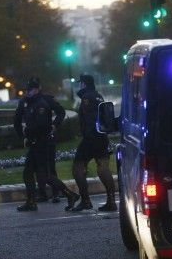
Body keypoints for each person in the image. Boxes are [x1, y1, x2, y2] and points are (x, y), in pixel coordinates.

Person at [14, 77, 79, 212]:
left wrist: (53, 126)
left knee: (44, 175)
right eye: (27, 90)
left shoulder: (42, 102)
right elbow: (20, 120)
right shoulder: (28, 102)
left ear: (37, 89)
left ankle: (69, 194)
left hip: (42, 142)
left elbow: (42, 124)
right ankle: (31, 201)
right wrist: (25, 135)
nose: (28, 92)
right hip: (35, 142)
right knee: (28, 172)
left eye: (30, 90)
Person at [70, 74, 116, 212]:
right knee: (103, 168)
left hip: (92, 138)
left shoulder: (86, 98)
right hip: (102, 137)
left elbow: (89, 120)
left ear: (83, 84)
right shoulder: (98, 96)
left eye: (80, 83)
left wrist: (87, 138)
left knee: (78, 167)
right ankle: (111, 201)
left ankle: (85, 201)